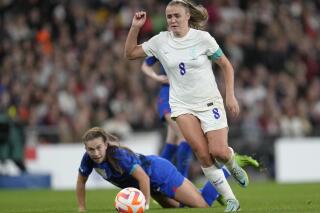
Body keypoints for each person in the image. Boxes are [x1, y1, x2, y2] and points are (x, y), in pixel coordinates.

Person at [124, 0, 247, 211]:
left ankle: (231, 160)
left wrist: (230, 95)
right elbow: (130, 54)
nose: (172, 20)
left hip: (209, 102)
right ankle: (231, 200)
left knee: (219, 152)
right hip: (181, 105)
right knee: (202, 153)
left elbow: (226, 65)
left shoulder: (203, 39)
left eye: (176, 16)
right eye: (169, 16)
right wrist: (135, 27)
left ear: (188, 16)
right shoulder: (161, 41)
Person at [76, 127, 222, 212]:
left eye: (98, 148)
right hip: (149, 185)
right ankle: (206, 192)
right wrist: (82, 208)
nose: (95, 153)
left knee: (201, 206)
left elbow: (143, 177)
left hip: (159, 173)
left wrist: (143, 205)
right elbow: (81, 182)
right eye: (91, 149)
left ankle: (226, 169)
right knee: (176, 207)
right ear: (85, 149)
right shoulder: (88, 158)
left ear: (106, 145)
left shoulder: (119, 156)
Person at [141, 56, 192, 177]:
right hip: (168, 96)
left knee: (172, 142)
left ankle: (154, 178)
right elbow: (145, 65)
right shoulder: (163, 43)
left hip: (184, 96)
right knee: (184, 137)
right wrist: (157, 77)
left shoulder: (190, 43)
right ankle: (183, 181)